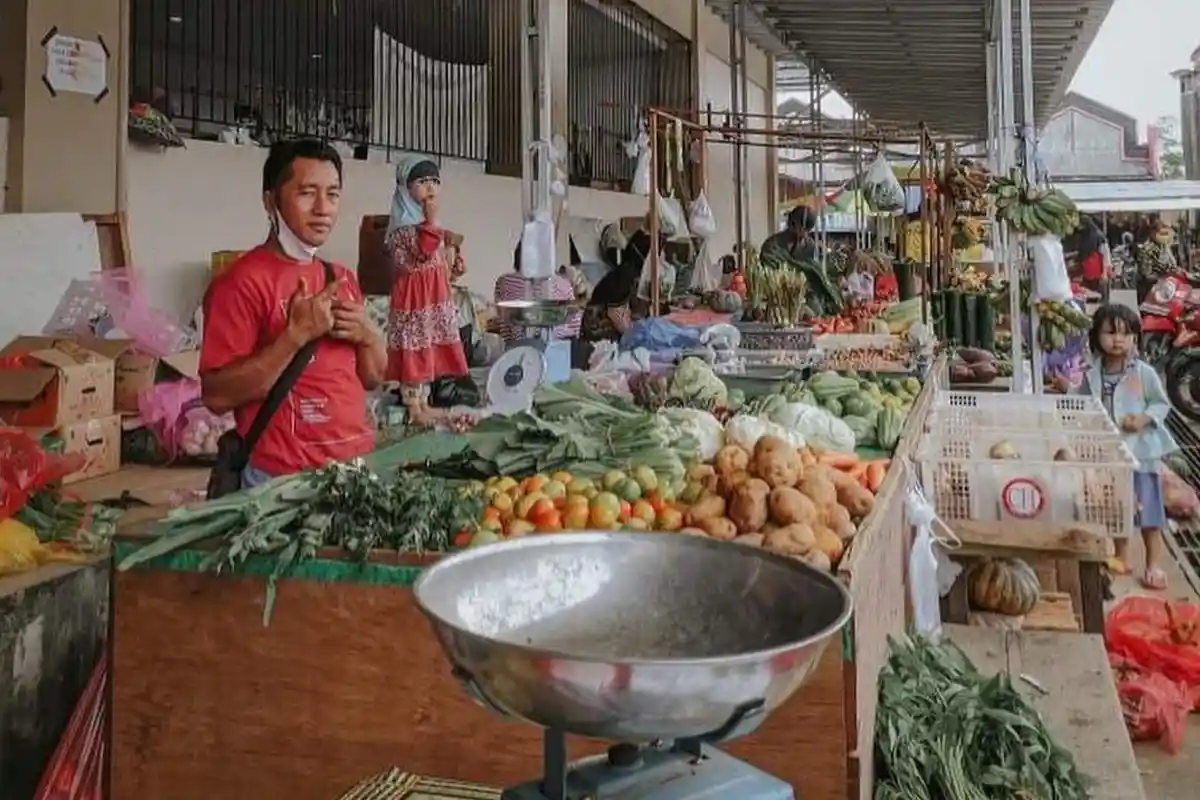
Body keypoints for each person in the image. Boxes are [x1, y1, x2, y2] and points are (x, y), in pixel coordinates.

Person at [200, 138, 385, 488]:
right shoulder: (240, 282)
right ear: (270, 200)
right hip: (283, 481)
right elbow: (216, 396)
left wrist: (368, 336)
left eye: (332, 194)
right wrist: (295, 336)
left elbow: (373, 377)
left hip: (356, 471)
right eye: (307, 193)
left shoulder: (342, 278)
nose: (323, 208)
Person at [1067, 304, 1177, 589]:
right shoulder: (1090, 372)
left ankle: (1153, 564)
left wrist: (1144, 418)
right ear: (1096, 336)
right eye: (1110, 332)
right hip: (1109, 457)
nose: (1118, 339)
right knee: (1119, 511)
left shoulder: (1143, 373)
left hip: (1141, 455)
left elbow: (1161, 403)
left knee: (1150, 514)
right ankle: (1121, 557)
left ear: (1134, 338)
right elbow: (1076, 403)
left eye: (1126, 334)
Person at [383, 155, 469, 418]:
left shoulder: (430, 224)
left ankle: (424, 402)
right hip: (414, 299)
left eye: (435, 181)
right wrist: (431, 221)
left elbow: (436, 258)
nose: (431, 187)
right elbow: (422, 252)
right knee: (415, 347)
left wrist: (452, 267)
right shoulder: (403, 226)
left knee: (429, 347)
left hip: (433, 296)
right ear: (405, 187)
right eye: (422, 181)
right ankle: (413, 405)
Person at [493, 241, 582, 343]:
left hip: (518, 345)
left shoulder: (505, 282)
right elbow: (575, 328)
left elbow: (504, 325)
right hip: (560, 345)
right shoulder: (563, 284)